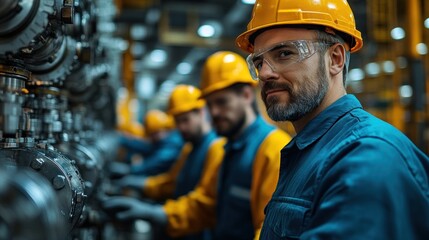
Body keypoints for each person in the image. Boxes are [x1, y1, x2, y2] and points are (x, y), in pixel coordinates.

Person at [235, 0, 429, 239]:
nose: (264, 73)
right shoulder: (308, 151)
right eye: (258, 62)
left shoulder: (367, 157)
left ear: (335, 59)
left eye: (285, 53)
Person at [102, 51, 292, 240]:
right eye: (210, 104)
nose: (214, 112)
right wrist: (155, 213)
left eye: (222, 102)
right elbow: (206, 205)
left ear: (246, 95)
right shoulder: (227, 149)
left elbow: (269, 232)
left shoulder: (273, 149)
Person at [117, 109, 184, 177]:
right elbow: (146, 147)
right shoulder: (164, 141)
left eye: (154, 134)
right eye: (150, 135)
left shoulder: (173, 144)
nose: (151, 138)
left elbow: (156, 162)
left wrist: (130, 170)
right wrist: (124, 140)